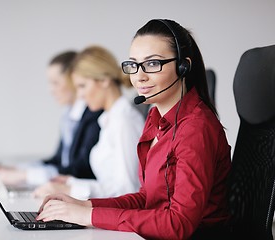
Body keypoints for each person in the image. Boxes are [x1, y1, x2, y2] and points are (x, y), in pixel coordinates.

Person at [36, 19, 232, 239]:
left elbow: (178, 224)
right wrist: (85, 205)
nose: (139, 76)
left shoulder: (196, 128)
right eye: (134, 65)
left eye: (152, 63)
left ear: (182, 66)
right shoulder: (156, 118)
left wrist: (88, 216)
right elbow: (146, 198)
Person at [33, 45, 144, 199]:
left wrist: (70, 190)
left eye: (82, 86)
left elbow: (128, 190)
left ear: (104, 80)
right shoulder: (108, 119)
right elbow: (110, 183)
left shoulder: (123, 121)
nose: (80, 95)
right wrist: (72, 182)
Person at [0, 51, 102, 187]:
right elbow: (58, 160)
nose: (50, 90)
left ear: (73, 80)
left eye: (55, 83)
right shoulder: (68, 116)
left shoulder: (94, 116)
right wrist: (19, 169)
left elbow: (81, 169)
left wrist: (25, 175)